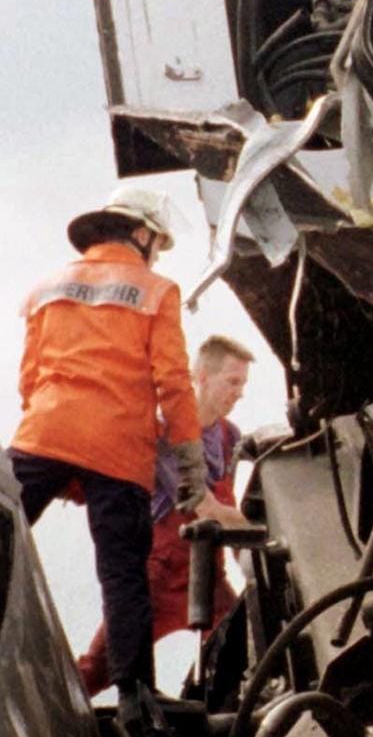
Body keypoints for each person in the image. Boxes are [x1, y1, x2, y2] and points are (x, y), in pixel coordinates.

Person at [7, 189, 205, 710]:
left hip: (44, 432)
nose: (156, 253)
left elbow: (29, 379)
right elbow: (173, 381)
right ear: (140, 233)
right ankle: (135, 692)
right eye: (156, 243)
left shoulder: (47, 287)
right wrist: (189, 464)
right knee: (122, 572)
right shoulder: (156, 289)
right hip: (119, 449)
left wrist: (62, 454)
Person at [77, 333, 256, 697]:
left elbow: (228, 512)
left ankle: (208, 724)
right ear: (202, 377)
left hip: (208, 573)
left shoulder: (228, 435)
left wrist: (254, 566)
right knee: (99, 669)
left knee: (242, 650)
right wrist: (262, 535)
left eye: (244, 384)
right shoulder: (165, 431)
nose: (239, 393)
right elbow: (204, 507)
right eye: (233, 382)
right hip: (159, 574)